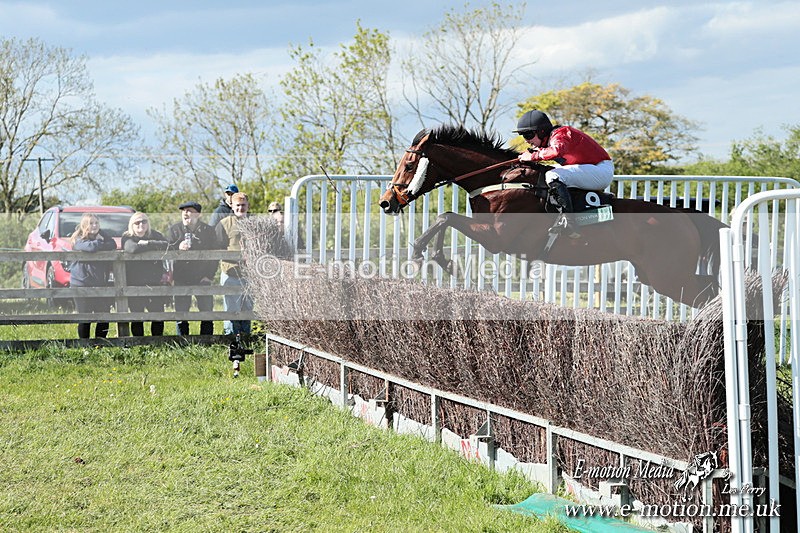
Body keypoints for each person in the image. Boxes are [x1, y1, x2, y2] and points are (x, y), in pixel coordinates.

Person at [514, 110, 614, 216]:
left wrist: (533, 156)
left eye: (528, 135)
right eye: (523, 136)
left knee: (552, 175)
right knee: (547, 170)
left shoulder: (561, 133)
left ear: (541, 132)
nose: (526, 140)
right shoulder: (549, 140)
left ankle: (567, 219)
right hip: (589, 168)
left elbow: (556, 151)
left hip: (600, 170)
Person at [166, 201, 219, 336]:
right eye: (183, 210)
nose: (185, 213)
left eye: (189, 210)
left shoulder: (208, 231)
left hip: (202, 276)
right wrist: (178, 247)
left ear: (198, 214)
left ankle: (206, 341)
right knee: (181, 313)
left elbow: (215, 255)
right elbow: (166, 249)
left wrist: (209, 276)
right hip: (181, 277)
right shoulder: (175, 229)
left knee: (206, 312)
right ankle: (183, 341)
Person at [121, 212, 169, 337]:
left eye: (144, 221)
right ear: (132, 224)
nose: (141, 224)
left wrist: (147, 243)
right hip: (134, 282)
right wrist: (152, 246)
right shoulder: (127, 236)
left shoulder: (155, 235)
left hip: (155, 282)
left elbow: (167, 245)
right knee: (137, 315)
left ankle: (157, 342)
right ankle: (139, 343)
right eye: (137, 222)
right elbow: (132, 248)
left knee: (158, 315)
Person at [69, 213, 117, 339]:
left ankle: (99, 343)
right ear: (85, 225)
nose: (94, 226)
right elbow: (89, 247)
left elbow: (113, 244)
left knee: (104, 315)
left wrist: (100, 241)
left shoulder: (103, 236)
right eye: (91, 223)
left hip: (100, 283)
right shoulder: (78, 238)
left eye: (96, 223)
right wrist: (100, 243)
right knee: (85, 317)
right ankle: (85, 345)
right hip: (81, 284)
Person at [216, 192, 253, 335]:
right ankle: (230, 338)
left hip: (249, 273)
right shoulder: (225, 224)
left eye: (243, 205)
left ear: (248, 206)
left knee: (247, 307)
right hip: (230, 271)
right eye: (238, 205)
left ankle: (246, 337)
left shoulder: (254, 222)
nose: (241, 208)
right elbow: (217, 247)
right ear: (232, 206)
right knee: (231, 309)